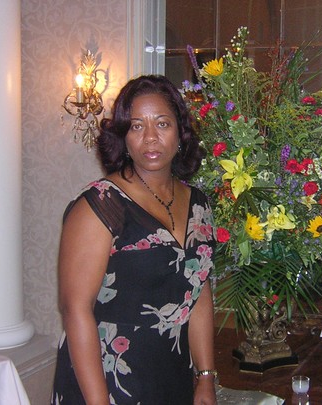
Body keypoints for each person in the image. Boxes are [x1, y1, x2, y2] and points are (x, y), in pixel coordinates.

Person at [51, 75, 218, 404]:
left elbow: (198, 293)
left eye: (162, 124)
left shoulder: (199, 204)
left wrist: (206, 377)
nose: (151, 137)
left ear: (180, 133)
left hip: (172, 372)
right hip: (106, 377)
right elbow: (75, 310)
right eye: (137, 126)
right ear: (123, 137)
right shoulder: (100, 205)